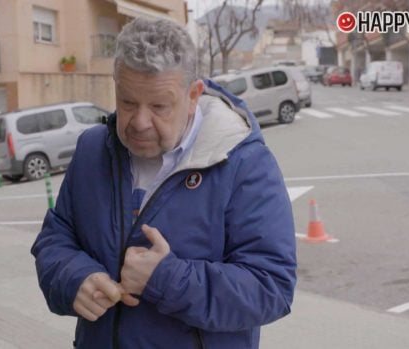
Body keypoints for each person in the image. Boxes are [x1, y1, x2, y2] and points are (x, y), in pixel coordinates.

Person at [31, 16, 296, 349]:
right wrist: (74, 278)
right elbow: (56, 238)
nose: (140, 122)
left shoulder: (244, 163)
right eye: (127, 102)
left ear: (193, 95)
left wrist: (167, 279)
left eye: (159, 106)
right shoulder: (92, 149)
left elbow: (272, 287)